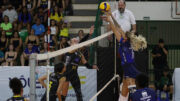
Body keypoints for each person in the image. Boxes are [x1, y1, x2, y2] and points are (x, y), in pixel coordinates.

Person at [104, 11, 147, 101]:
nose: (121, 33)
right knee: (124, 90)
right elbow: (117, 28)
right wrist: (111, 17)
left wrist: (110, 20)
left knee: (132, 93)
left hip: (130, 68)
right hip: (127, 68)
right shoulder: (123, 41)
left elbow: (117, 29)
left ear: (126, 37)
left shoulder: (126, 43)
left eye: (123, 34)